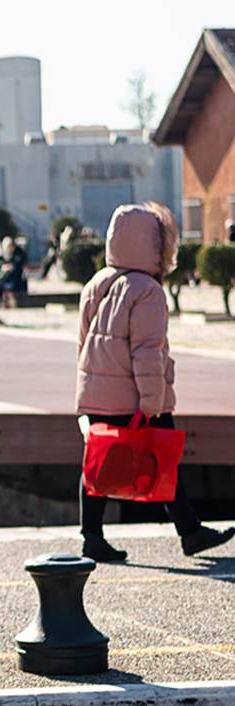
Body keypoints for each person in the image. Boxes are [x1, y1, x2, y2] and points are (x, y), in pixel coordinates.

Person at [75, 203, 233, 562]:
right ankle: (190, 532)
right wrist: (152, 401)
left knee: (96, 463)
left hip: (97, 393)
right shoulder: (147, 289)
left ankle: (92, 537)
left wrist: (86, 391)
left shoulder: (96, 283)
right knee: (163, 460)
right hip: (135, 396)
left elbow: (83, 341)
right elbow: (147, 351)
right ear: (157, 244)